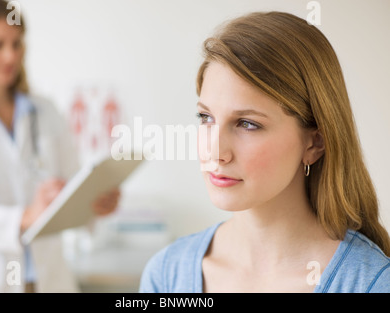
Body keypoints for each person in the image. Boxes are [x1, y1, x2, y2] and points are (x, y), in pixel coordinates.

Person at [139, 11, 390, 293]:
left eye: (247, 124)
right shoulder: (166, 276)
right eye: (206, 118)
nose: (216, 152)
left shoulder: (371, 284)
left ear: (314, 143)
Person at [0, 0, 120, 293]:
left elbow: (72, 185)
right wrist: (25, 216)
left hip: (47, 280)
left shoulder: (45, 111)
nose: (11, 55)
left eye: (17, 43)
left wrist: (93, 203)